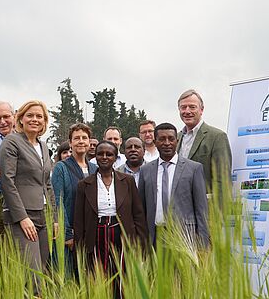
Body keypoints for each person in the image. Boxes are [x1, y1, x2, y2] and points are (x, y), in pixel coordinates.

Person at [74, 140, 148, 298]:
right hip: (96, 234)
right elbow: (79, 219)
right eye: (100, 154)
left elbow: (138, 214)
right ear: (95, 156)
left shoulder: (127, 181)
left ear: (115, 157)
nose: (104, 157)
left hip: (121, 233)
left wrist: (141, 243)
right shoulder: (84, 184)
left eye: (109, 154)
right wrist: (80, 247)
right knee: (99, 274)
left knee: (122, 274)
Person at [0, 100, 58, 291]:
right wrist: (22, 217)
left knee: (41, 271)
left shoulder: (44, 146)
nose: (34, 119)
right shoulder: (11, 142)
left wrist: (54, 218)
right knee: (33, 278)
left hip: (43, 216)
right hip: (23, 218)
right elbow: (7, 182)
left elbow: (47, 184)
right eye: (29, 115)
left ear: (45, 121)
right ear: (20, 119)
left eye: (39, 116)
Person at [138, 123, 209, 247]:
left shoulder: (193, 168)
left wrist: (203, 243)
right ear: (155, 142)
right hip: (155, 236)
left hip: (184, 236)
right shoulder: (146, 170)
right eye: (162, 139)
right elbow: (142, 208)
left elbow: (201, 209)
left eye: (171, 139)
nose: (167, 143)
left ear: (177, 141)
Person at [51, 123, 98, 274]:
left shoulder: (94, 169)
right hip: (70, 233)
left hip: (90, 232)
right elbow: (57, 201)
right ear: (70, 143)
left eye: (84, 138)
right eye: (76, 138)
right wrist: (68, 234)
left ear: (90, 142)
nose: (81, 141)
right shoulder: (61, 168)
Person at [177, 89, 232, 196]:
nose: (187, 111)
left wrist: (218, 211)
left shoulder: (217, 137)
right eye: (183, 107)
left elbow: (223, 181)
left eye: (192, 107)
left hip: (206, 207)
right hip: (179, 208)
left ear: (201, 110)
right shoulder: (176, 138)